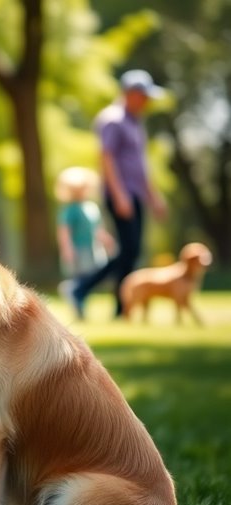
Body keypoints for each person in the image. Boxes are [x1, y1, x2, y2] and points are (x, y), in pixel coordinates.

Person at [64, 69, 168, 320]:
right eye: (144, 96)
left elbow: (140, 165)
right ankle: (83, 289)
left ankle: (119, 307)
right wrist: (120, 195)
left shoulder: (135, 122)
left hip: (135, 194)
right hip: (121, 194)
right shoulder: (112, 119)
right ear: (131, 93)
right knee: (129, 250)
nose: (147, 102)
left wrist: (153, 196)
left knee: (131, 251)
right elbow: (106, 158)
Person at [55, 166, 113, 320]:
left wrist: (106, 239)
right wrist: (67, 248)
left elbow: (97, 228)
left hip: (93, 248)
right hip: (78, 249)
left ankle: (74, 293)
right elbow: (64, 231)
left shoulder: (91, 207)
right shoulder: (70, 210)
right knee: (82, 276)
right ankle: (77, 301)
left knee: (94, 275)